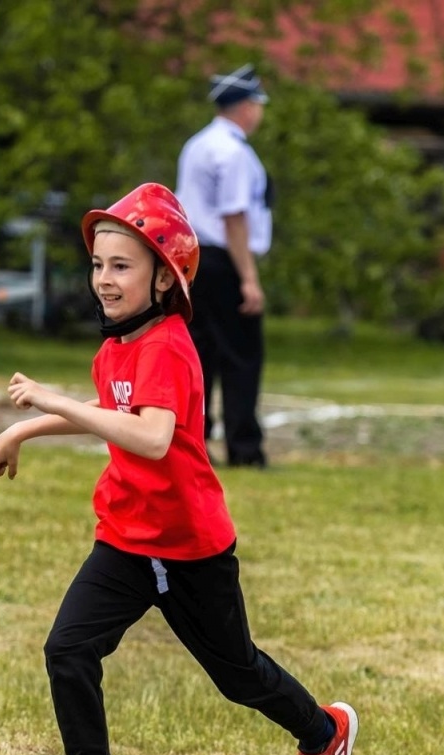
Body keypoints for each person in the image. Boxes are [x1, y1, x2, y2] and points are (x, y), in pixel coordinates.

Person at [0, 184, 356, 755]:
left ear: (165, 277)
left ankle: (322, 733)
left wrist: (49, 400)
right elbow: (112, 411)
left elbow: (152, 437)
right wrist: (24, 430)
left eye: (121, 266)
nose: (104, 279)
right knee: (68, 650)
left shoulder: (169, 346)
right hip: (126, 539)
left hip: (190, 550)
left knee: (239, 675)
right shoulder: (117, 347)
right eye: (98, 265)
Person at [176, 64, 274, 468]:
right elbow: (234, 217)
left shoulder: (197, 144)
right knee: (241, 355)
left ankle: (192, 441)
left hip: (193, 258)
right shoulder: (234, 152)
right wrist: (248, 277)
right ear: (246, 107)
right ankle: (244, 447)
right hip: (223, 259)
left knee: (199, 354)